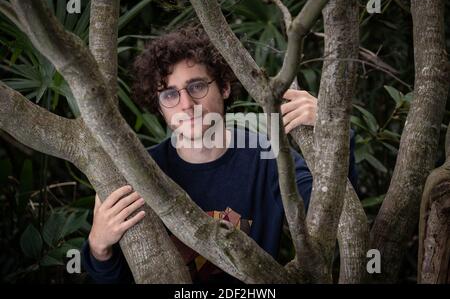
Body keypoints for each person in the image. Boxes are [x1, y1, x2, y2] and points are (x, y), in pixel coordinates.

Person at [81, 26, 358, 284]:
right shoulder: (138, 172)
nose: (186, 105)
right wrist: (99, 248)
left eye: (197, 87)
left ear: (224, 87)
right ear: (159, 106)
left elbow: (338, 220)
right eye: (169, 94)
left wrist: (334, 132)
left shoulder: (268, 159)